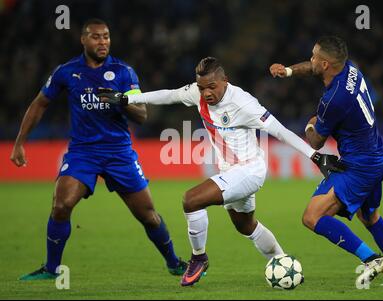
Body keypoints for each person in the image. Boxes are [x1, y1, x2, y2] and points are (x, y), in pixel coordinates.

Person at [98, 56, 345, 286]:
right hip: (232, 171)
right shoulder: (197, 93)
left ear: (225, 81)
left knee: (191, 200)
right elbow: (168, 95)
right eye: (202, 87)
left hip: (250, 170)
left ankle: (199, 257)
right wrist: (127, 99)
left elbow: (280, 131)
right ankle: (284, 262)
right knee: (245, 225)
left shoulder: (244, 103)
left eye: (212, 87)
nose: (206, 93)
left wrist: (315, 156)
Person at [10, 18, 187, 281]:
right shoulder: (67, 72)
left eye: (106, 36)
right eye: (96, 37)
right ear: (83, 40)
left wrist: (121, 100)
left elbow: (142, 115)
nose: (102, 41)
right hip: (83, 153)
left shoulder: (124, 72)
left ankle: (174, 263)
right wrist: (19, 142)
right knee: (61, 205)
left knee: (148, 216)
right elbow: (39, 104)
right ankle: (51, 268)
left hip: (119, 153)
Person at [270, 35, 383, 287]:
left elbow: (316, 141)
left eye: (315, 56)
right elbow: (312, 68)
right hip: (378, 155)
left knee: (312, 217)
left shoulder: (334, 100)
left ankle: (371, 259)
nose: (311, 59)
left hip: (360, 165)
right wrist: (288, 71)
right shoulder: (351, 70)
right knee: (369, 217)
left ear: (326, 64)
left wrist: (310, 123)